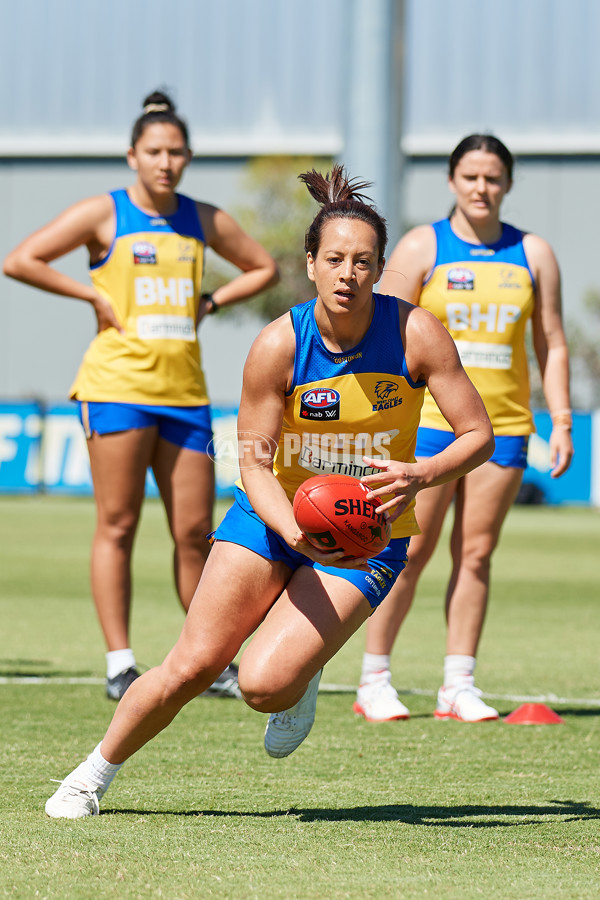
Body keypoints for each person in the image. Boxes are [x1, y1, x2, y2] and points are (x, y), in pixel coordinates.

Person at [43, 164, 494, 819]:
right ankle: (91, 775)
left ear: (381, 267)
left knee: (261, 686)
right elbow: (253, 461)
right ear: (309, 264)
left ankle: (302, 672)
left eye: (363, 262)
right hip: (272, 516)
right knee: (194, 664)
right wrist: (290, 528)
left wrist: (423, 474)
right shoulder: (279, 344)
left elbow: (477, 435)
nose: (348, 274)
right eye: (334, 259)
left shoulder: (415, 333)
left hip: (368, 536)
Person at [3, 90, 279, 700]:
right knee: (119, 524)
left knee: (194, 531)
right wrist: (92, 297)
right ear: (133, 155)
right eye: (155, 151)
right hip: (116, 388)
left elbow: (263, 267)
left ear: (187, 158)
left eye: (177, 152)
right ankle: (119, 664)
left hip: (184, 393)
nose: (166, 162)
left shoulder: (201, 218)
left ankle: (210, 659)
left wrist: (211, 302)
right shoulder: (104, 214)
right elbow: (21, 260)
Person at [354, 134, 574, 725]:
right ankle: (374, 678)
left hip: (502, 427)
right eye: (471, 177)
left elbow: (551, 342)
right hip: (426, 426)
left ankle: (458, 684)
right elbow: (383, 332)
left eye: (493, 178)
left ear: (507, 183)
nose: (482, 188)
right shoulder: (425, 245)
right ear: (452, 181)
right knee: (411, 550)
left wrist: (562, 419)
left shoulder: (535, 252)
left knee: (476, 555)